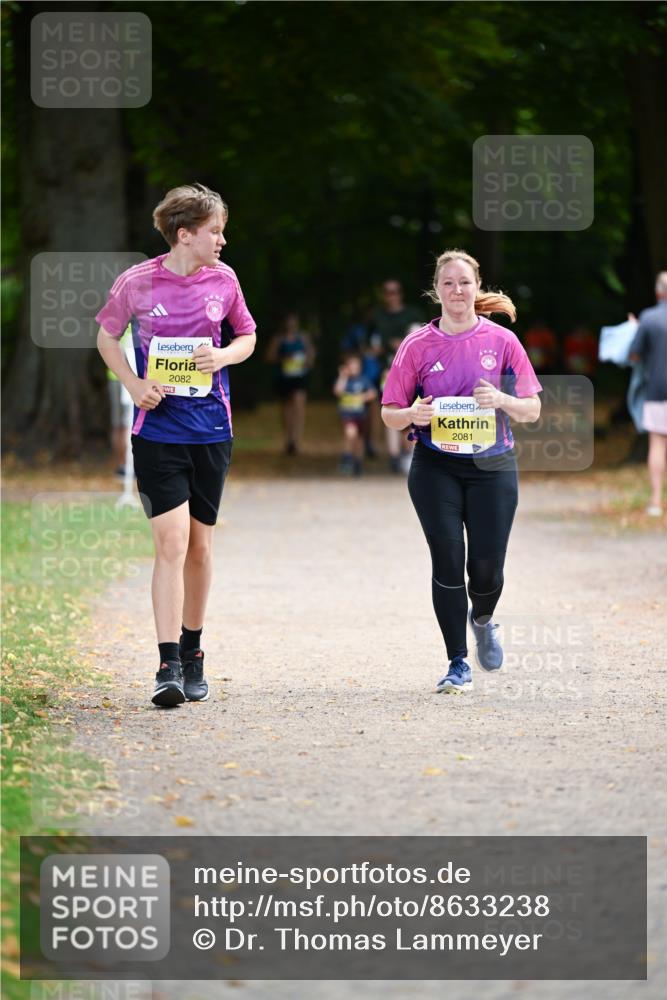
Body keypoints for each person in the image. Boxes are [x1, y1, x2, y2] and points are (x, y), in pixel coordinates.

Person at [96, 183, 257, 707]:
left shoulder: (224, 280)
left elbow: (248, 336)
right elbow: (105, 335)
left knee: (200, 546)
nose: (222, 240)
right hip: (158, 433)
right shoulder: (137, 282)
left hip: (212, 430)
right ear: (185, 235)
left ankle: (194, 651)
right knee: (170, 544)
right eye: (215, 231)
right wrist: (133, 384)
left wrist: (225, 357)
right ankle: (166, 664)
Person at [381, 249, 542, 693]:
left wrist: (502, 401)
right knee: (448, 560)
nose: (456, 290)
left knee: (486, 569)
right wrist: (413, 412)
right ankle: (457, 662)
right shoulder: (416, 346)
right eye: (448, 283)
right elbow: (389, 414)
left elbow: (532, 408)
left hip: (493, 466)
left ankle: (484, 618)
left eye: (464, 282)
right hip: (436, 467)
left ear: (476, 287)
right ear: (437, 291)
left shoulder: (502, 341)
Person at [629, 271, 667, 517]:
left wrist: (636, 330)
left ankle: (655, 501)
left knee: (657, 445)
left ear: (658, 292)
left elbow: (634, 355)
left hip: (658, 389)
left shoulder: (649, 319)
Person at [265, 312, 315, 455]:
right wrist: (284, 358)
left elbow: (311, 355)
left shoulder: (303, 337)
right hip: (284, 378)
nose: (291, 324)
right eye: (288, 321)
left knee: (299, 406)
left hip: (300, 377)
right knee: (286, 409)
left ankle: (296, 440)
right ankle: (289, 439)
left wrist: (306, 362)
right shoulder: (278, 339)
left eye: (293, 321)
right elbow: (269, 357)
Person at [333, 353, 377, 476]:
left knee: (359, 440)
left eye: (356, 365)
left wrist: (363, 397)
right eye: (351, 366)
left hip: (361, 415)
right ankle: (346, 457)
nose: (354, 368)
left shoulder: (363, 380)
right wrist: (343, 376)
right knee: (350, 433)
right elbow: (337, 391)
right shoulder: (344, 381)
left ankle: (358, 462)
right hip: (348, 415)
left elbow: (373, 393)